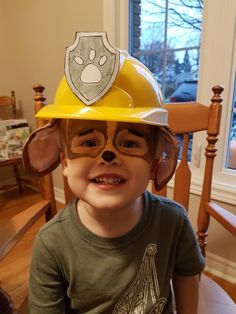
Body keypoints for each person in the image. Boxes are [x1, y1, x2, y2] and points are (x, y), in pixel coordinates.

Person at [23, 32, 205, 314]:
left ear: (156, 161)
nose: (108, 156)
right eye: (88, 142)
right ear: (63, 159)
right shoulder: (52, 243)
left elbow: (187, 279)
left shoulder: (174, 222)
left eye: (130, 144)